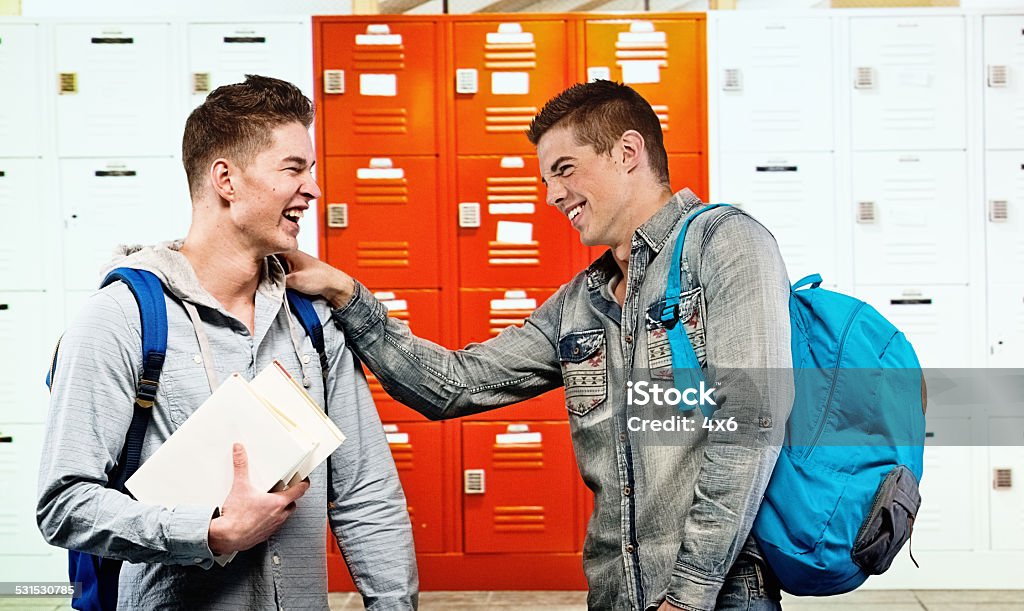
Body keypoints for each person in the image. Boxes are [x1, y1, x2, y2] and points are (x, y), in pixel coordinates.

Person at [285, 80, 793, 611]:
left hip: (717, 594)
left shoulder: (726, 243)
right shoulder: (582, 302)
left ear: (627, 153)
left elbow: (751, 422)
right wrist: (346, 294)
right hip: (616, 594)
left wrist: (688, 595)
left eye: (564, 170)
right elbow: (454, 385)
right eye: (546, 178)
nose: (551, 195)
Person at [37, 75, 418, 610]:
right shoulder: (120, 320)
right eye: (294, 168)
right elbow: (64, 503)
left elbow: (366, 495)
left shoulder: (312, 319)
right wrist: (208, 532)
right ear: (226, 180)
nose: (313, 189)